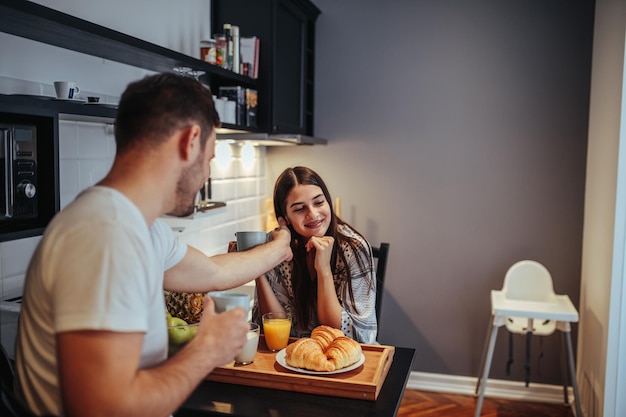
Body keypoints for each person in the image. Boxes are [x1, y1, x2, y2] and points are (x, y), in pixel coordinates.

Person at [14, 73, 292, 417]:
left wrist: (280, 247)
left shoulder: (139, 228)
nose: (206, 173)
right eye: (210, 158)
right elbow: (99, 407)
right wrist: (206, 349)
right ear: (190, 141)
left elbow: (216, 271)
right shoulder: (106, 233)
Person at [253, 166, 378, 344]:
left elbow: (349, 335)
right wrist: (257, 268)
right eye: (299, 209)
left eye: (319, 202)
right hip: (292, 356)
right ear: (285, 218)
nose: (313, 214)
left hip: (345, 359)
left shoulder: (354, 248)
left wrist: (323, 269)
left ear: (328, 202)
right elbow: (275, 326)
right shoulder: (275, 247)